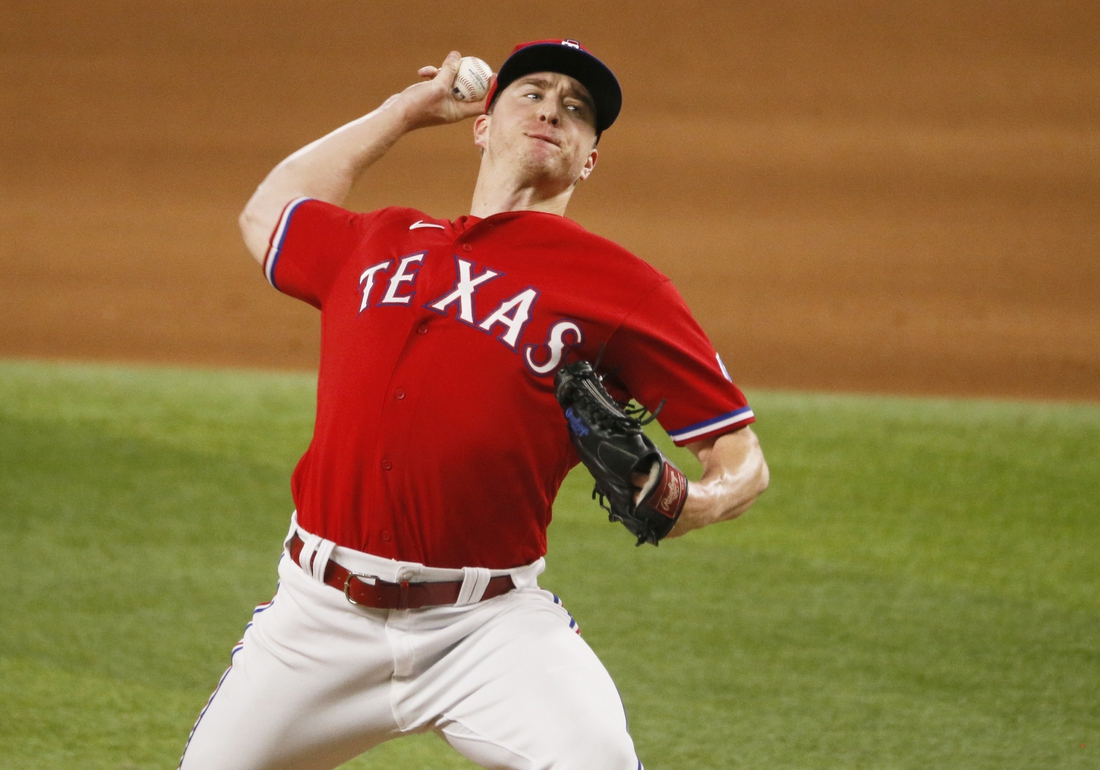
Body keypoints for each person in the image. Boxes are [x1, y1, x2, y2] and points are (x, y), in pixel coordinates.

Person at [179, 39, 769, 770]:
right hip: (316, 619)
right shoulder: (382, 239)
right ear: (483, 124)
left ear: (588, 160)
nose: (554, 107)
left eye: (577, 108)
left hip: (486, 628)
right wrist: (404, 112)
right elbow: (267, 212)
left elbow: (741, 458)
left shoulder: (625, 290)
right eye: (533, 92)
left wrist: (697, 502)